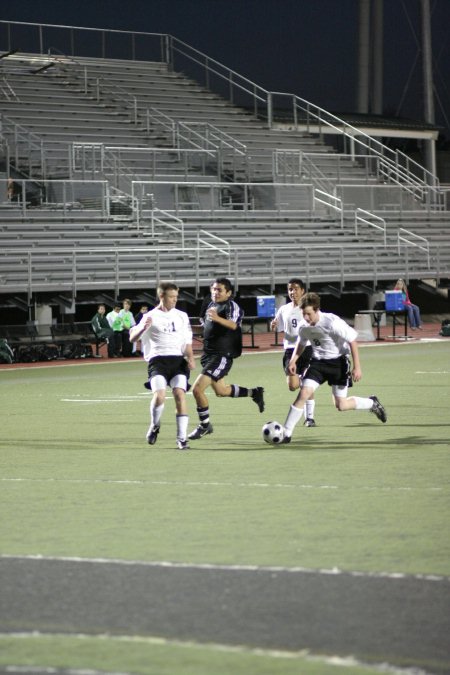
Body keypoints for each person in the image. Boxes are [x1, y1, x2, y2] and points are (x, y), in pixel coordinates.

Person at [281, 292, 387, 443]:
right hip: (317, 363)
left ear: (317, 310)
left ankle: (372, 403)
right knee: (303, 393)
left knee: (341, 405)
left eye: (309, 314)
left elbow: (353, 340)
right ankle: (286, 432)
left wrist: (357, 367)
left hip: (338, 363)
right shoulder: (304, 325)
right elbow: (302, 342)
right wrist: (293, 361)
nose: (306, 317)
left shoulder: (331, 322)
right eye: (303, 313)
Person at [188, 277, 265, 441]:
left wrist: (216, 318)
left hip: (221, 354)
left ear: (228, 293)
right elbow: (205, 327)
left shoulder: (231, 306)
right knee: (221, 391)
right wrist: (186, 329)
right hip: (208, 354)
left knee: (197, 389)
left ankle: (205, 425)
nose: (215, 292)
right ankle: (254, 392)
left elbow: (233, 325)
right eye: (213, 289)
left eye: (219, 290)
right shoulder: (211, 305)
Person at [130, 282, 195, 450]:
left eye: (176, 297)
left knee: (180, 395)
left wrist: (191, 358)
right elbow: (133, 338)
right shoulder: (150, 316)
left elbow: (187, 341)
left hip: (178, 361)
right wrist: (143, 328)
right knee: (159, 396)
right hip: (157, 361)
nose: (175, 300)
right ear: (161, 297)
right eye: (171, 297)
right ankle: (155, 425)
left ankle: (181, 439)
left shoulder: (181, 315)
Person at [270, 278, 316, 426]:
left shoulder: (308, 309)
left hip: (307, 348)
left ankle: (309, 418)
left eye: (296, 289)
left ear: (303, 291)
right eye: (290, 289)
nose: (292, 292)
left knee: (306, 383)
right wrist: (274, 325)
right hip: (290, 350)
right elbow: (279, 327)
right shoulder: (284, 309)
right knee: (293, 385)